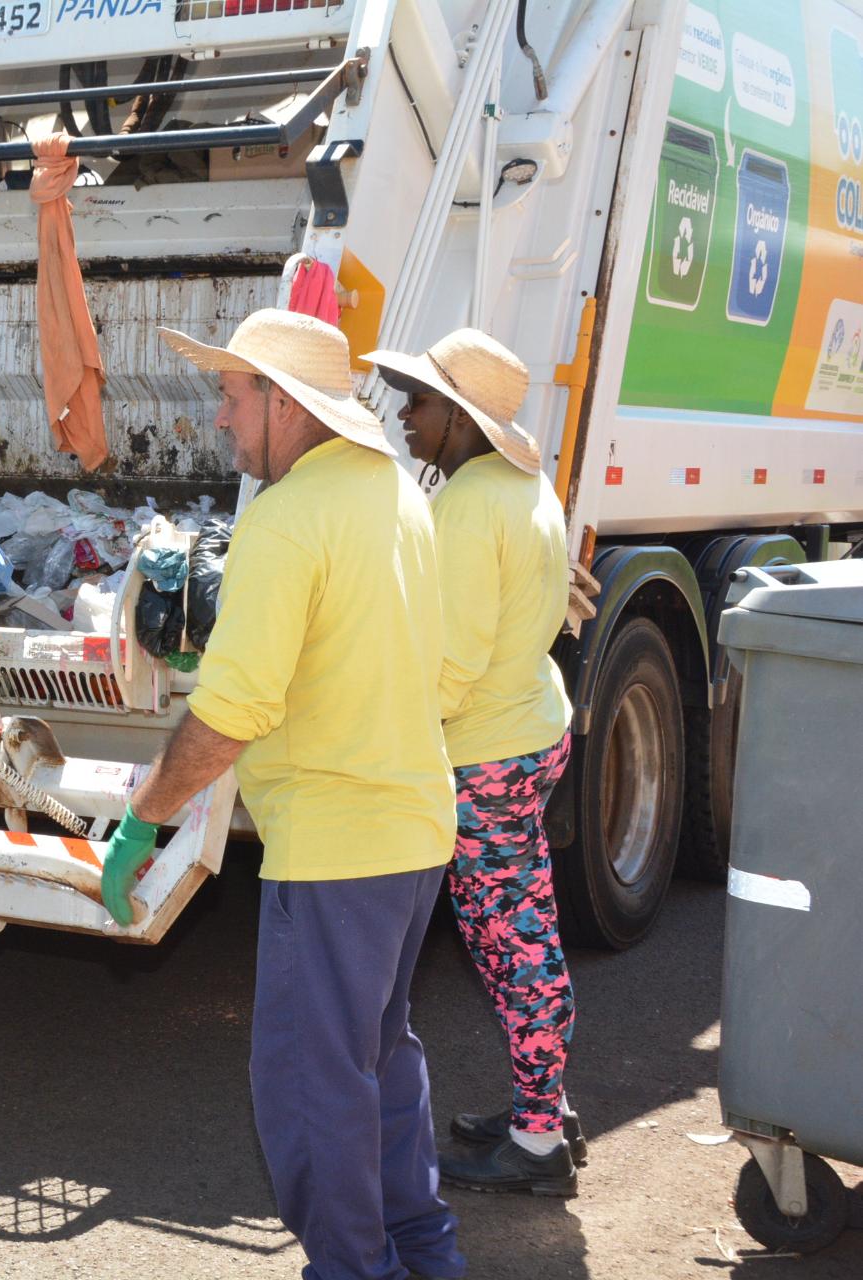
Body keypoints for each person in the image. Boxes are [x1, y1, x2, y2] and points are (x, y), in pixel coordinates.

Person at [101, 309, 465, 1280]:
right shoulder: (397, 493)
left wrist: (142, 819)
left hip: (335, 848)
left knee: (309, 1091)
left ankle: (355, 1269)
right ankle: (425, 1253)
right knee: (380, 1065)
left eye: (231, 394)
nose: (220, 418)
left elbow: (228, 715)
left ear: (282, 400)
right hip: (415, 830)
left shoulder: (284, 518)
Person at [365, 330, 585, 1197]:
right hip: (530, 730)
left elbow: (448, 670)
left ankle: (536, 1143)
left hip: (485, 756)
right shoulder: (524, 485)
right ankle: (545, 1107)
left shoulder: (464, 509)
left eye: (417, 403)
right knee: (521, 928)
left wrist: (382, 731)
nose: (403, 416)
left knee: (512, 941)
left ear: (458, 415)